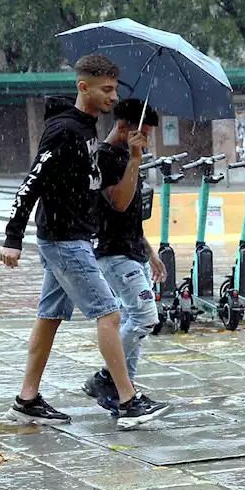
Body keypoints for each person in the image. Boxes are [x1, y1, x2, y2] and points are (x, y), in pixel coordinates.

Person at [0, 54, 170, 428]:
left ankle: (26, 400)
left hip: (71, 238)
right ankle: (127, 401)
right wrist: (13, 237)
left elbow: (107, 190)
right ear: (84, 87)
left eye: (114, 88)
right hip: (64, 241)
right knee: (109, 314)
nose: (112, 96)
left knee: (49, 318)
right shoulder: (65, 129)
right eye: (106, 89)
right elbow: (33, 181)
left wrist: (133, 158)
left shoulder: (88, 130)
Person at [81, 98, 168, 411]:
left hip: (134, 251)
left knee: (136, 318)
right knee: (145, 317)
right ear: (122, 127)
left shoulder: (126, 155)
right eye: (142, 134)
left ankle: (125, 391)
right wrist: (134, 159)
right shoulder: (104, 157)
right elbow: (118, 202)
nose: (145, 141)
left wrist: (151, 253)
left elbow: (132, 216)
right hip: (113, 254)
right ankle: (107, 376)